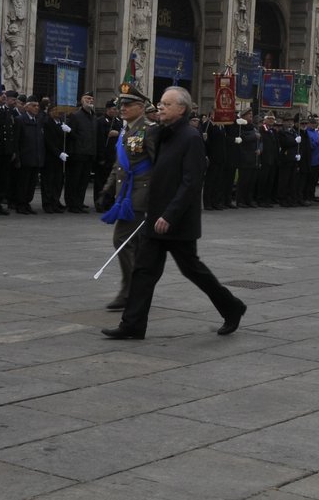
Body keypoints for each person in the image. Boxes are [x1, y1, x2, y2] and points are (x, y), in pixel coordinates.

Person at [104, 86, 247, 341]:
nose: (160, 107)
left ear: (181, 109)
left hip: (177, 221)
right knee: (144, 271)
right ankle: (132, 325)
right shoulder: (160, 133)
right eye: (159, 103)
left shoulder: (190, 138)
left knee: (193, 270)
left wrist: (170, 215)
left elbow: (191, 183)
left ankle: (232, 307)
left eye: (166, 104)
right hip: (154, 216)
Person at [98, 86, 154, 311]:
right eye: (121, 105)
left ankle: (130, 291)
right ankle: (138, 289)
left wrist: (155, 197)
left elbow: (159, 164)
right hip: (126, 195)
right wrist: (107, 190)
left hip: (140, 195)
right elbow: (120, 164)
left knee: (122, 240)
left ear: (140, 108)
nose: (122, 109)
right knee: (136, 245)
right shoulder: (126, 130)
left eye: (128, 105)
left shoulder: (149, 130)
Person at [64, 93, 98, 212]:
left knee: (83, 181)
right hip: (77, 153)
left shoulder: (93, 116)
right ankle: (72, 204)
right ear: (82, 101)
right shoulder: (75, 115)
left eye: (92, 99)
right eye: (87, 98)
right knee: (74, 180)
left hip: (89, 153)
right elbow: (71, 135)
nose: (90, 100)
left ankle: (79, 202)